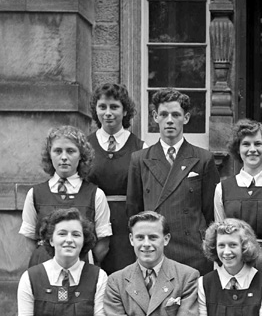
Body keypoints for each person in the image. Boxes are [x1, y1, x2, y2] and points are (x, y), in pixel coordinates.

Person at [127, 88, 220, 275]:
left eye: (176, 114)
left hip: (193, 250)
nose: (170, 120)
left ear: (185, 118)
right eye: (164, 114)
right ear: (155, 117)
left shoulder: (203, 159)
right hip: (156, 248)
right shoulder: (140, 159)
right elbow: (134, 209)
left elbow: (210, 211)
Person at [20, 126, 112, 267]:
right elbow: (29, 240)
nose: (64, 157)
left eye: (70, 151)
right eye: (57, 151)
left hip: (82, 270)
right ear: (49, 155)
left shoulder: (96, 195)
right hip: (45, 270)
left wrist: (82, 264)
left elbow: (103, 244)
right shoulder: (35, 194)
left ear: (81, 155)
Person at [213, 119, 262, 277]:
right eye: (246, 144)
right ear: (238, 148)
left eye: (258, 144)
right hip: (232, 264)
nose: (252, 149)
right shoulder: (222, 188)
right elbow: (219, 232)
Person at [86, 83, 146, 274]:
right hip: (92, 221)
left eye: (114, 107)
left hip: (126, 222)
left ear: (125, 110)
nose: (108, 113)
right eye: (102, 107)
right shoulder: (85, 146)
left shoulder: (141, 147)